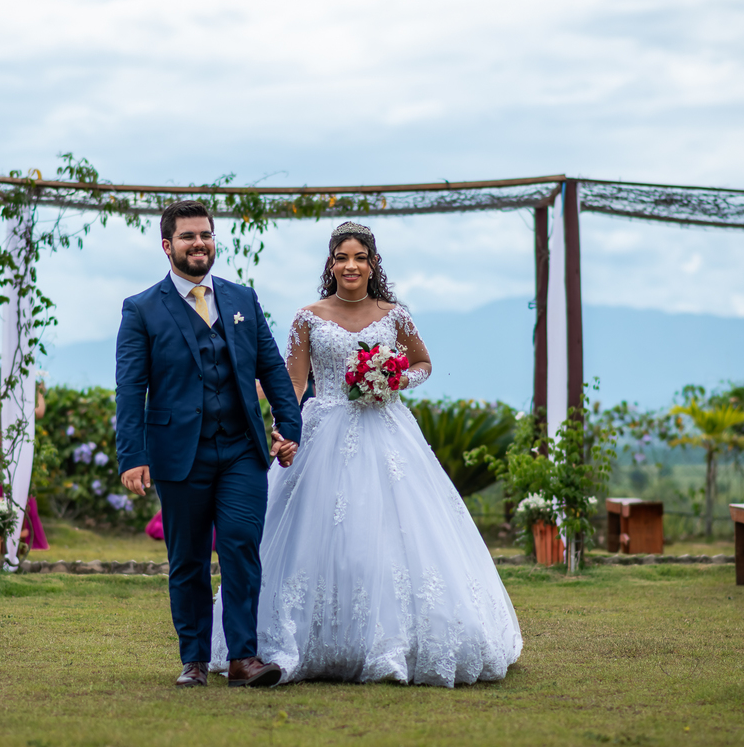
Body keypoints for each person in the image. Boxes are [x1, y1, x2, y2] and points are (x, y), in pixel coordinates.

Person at [208, 221, 523, 686]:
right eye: (341, 257)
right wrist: (283, 429)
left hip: (387, 429)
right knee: (314, 537)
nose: (350, 265)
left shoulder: (395, 314)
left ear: (373, 264)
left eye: (360, 257)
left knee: (393, 536)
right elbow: (293, 384)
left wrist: (392, 380)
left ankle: (393, 642)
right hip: (324, 430)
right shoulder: (307, 317)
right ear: (330, 264)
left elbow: (423, 364)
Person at [115, 199, 303, 688]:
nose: (199, 244)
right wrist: (131, 454)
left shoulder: (242, 299)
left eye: (205, 235)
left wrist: (291, 426)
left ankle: (243, 657)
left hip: (242, 448)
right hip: (179, 454)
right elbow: (130, 387)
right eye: (188, 237)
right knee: (189, 558)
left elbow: (272, 369)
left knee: (242, 546)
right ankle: (194, 660)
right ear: (167, 246)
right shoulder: (141, 309)